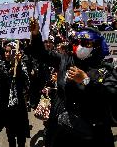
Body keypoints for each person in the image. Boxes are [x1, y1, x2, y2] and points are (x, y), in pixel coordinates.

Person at [30, 18, 117, 147]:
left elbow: (110, 94)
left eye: (86, 43)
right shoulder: (66, 60)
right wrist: (36, 35)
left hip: (91, 134)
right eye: (77, 42)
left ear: (97, 45)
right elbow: (41, 54)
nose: (80, 46)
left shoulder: (105, 69)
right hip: (62, 132)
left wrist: (86, 80)